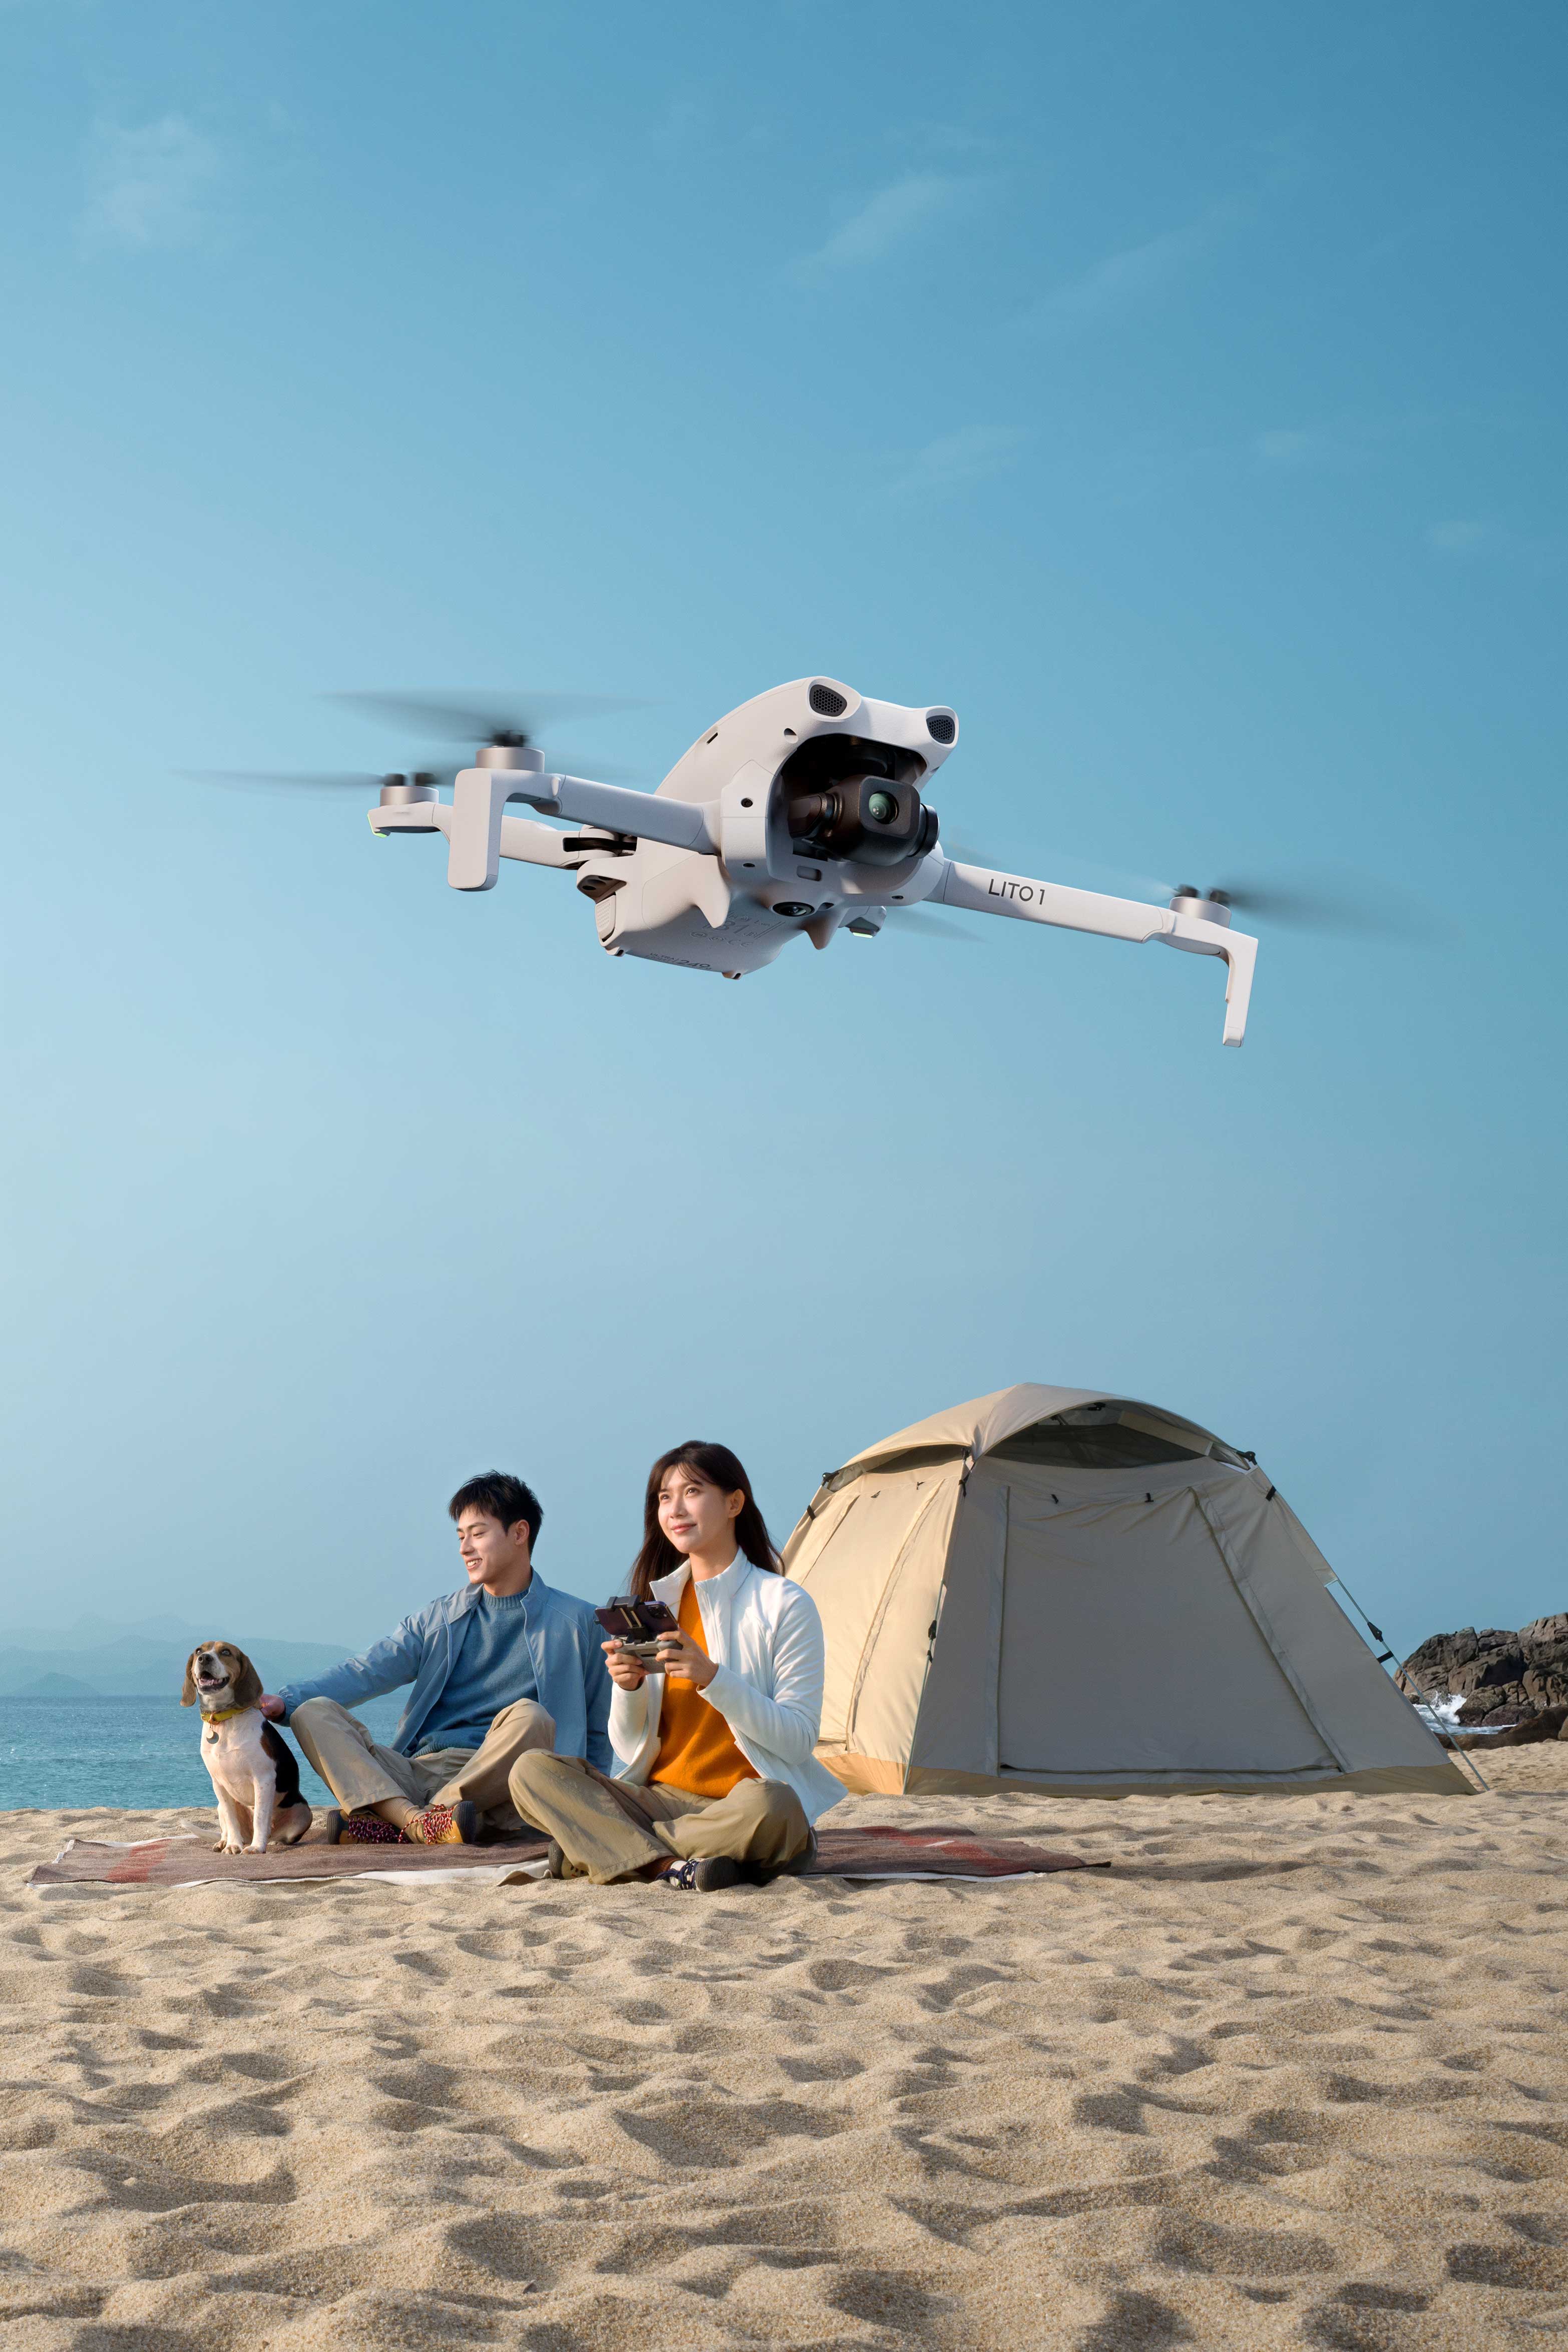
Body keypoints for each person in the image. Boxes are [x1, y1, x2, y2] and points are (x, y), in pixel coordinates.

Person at [509, 1440, 844, 1889]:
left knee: (777, 1806)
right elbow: (628, 1747)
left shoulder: (784, 1603)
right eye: (665, 1498)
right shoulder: (656, 1607)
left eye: (692, 1491)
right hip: (659, 1799)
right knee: (530, 1770)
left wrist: (713, 1679)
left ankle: (611, 1849)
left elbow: (798, 1741)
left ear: (734, 1503)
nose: (675, 1509)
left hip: (744, 1803)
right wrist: (628, 1690)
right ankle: (667, 1864)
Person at [260, 1472, 612, 1846]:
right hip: (416, 1774)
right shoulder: (440, 1618)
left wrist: (593, 1809)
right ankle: (422, 1823)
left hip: (504, 1784)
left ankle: (398, 1821)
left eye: (477, 1534)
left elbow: (598, 1731)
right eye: (461, 1537)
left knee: (532, 1717)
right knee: (312, 1713)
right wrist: (287, 1702)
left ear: (519, 1533)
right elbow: (367, 1670)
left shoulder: (580, 1623)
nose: (465, 1549)